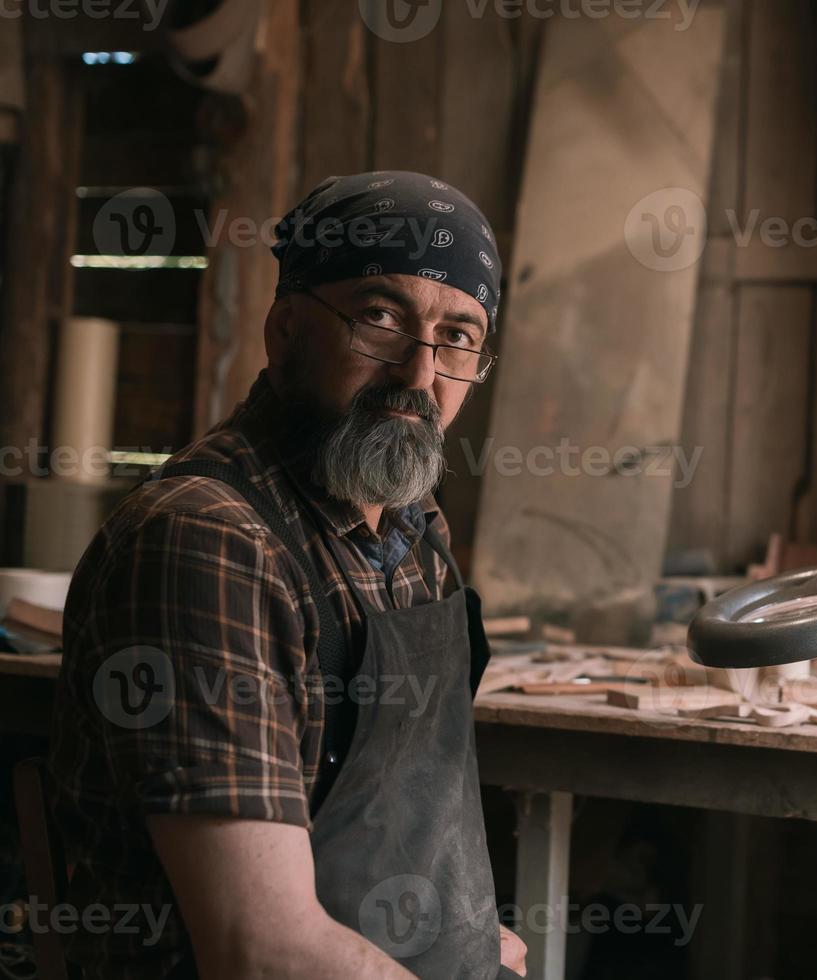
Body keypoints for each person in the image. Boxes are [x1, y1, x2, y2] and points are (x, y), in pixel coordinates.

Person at [49, 171, 528, 978]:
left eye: (457, 336)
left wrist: (481, 946)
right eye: (381, 318)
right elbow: (261, 950)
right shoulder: (207, 540)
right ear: (286, 330)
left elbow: (409, 848)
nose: (420, 376)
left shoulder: (415, 534)